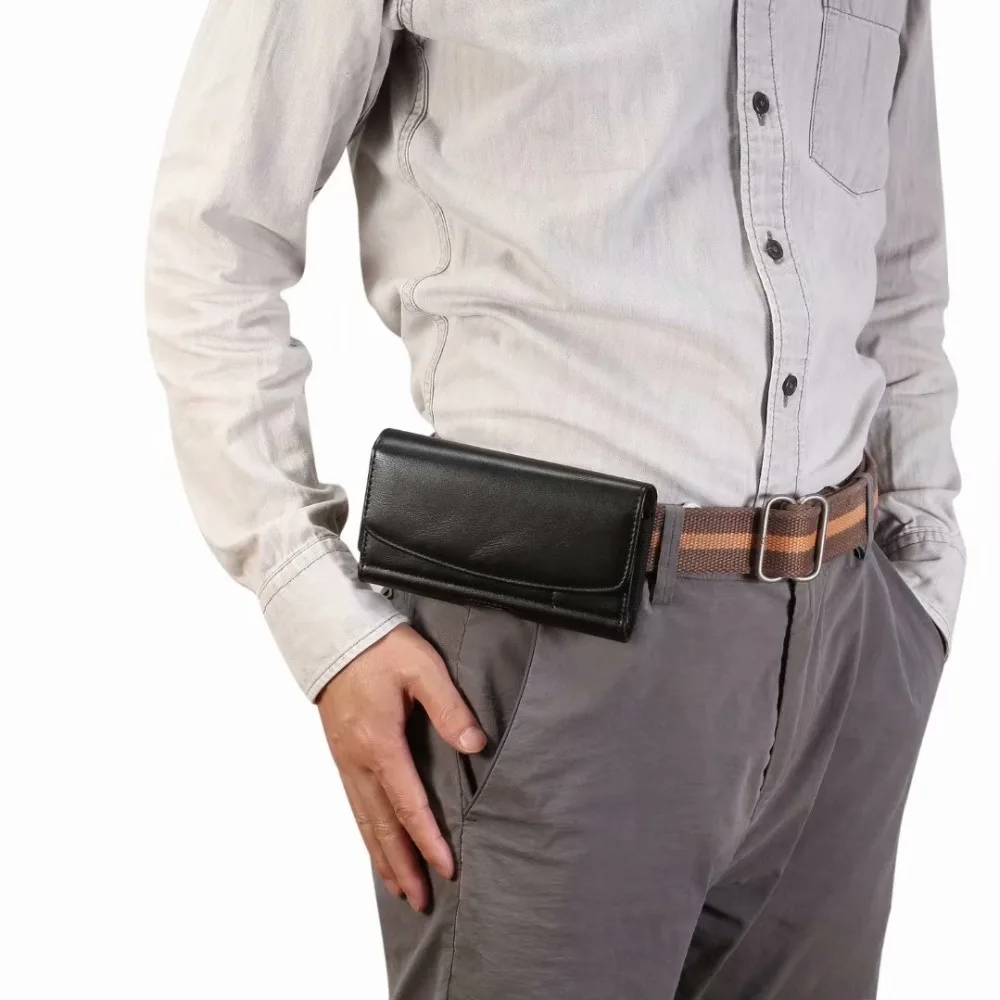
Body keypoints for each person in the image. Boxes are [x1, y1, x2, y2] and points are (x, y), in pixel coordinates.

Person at [144, 1, 964, 997]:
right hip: (547, 659)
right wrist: (321, 618)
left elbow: (900, 280)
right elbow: (214, 247)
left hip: (846, 657)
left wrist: (918, 578)